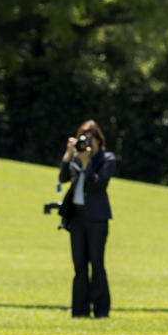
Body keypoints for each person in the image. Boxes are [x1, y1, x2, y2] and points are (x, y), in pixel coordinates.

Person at [58, 120, 115, 318]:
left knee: (97, 263)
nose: (86, 145)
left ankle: (101, 310)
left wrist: (86, 162)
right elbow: (63, 178)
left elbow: (96, 185)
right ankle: (80, 310)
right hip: (77, 218)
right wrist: (68, 155)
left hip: (97, 218)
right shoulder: (75, 157)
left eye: (90, 140)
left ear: (99, 141)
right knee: (79, 265)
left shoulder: (106, 159)